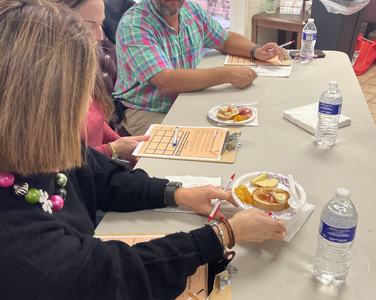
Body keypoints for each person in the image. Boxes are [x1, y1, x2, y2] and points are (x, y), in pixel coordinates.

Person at [0, 1, 286, 299]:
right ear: (36, 107)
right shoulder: (16, 241)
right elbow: (112, 276)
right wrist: (224, 234)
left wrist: (175, 193)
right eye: (82, 96)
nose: (88, 107)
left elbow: (103, 177)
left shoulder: (42, 152)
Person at [114, 0, 286, 135]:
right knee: (204, 146)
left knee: (241, 131)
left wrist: (255, 50)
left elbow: (224, 39)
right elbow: (166, 82)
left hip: (188, 97)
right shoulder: (134, 24)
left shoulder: (192, 11)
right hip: (147, 110)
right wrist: (226, 74)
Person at [60, 0, 147, 162]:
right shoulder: (50, 84)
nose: (100, 36)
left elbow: (97, 122)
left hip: (101, 166)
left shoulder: (82, 66)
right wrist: (113, 149)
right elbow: (61, 161)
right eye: (91, 25)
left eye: (101, 24)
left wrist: (120, 143)